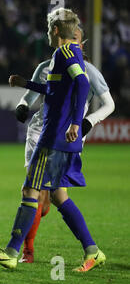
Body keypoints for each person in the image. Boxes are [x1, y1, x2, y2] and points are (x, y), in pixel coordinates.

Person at [0, 8, 106, 272]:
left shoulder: (64, 52)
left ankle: (13, 252)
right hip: (61, 138)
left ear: (56, 30)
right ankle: (93, 250)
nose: (48, 33)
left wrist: (74, 122)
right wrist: (26, 84)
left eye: (49, 29)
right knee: (59, 197)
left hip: (53, 137)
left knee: (29, 191)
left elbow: (82, 85)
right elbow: (54, 89)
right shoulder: (70, 55)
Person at [14, 26, 115, 263]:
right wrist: (23, 105)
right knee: (41, 193)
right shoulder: (46, 66)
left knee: (38, 193)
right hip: (39, 132)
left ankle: (18, 251)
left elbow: (109, 104)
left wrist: (86, 122)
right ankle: (28, 250)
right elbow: (38, 94)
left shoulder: (88, 71)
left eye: (76, 40)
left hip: (66, 136)